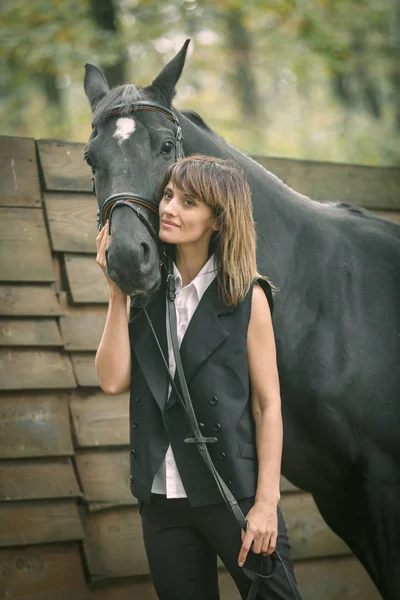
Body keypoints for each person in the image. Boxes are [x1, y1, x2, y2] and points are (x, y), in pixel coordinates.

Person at [95, 155, 298, 600]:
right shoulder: (145, 293)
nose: (169, 208)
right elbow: (112, 380)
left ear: (218, 221)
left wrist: (267, 503)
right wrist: (117, 292)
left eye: (189, 203)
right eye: (168, 195)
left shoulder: (247, 296)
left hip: (235, 493)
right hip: (161, 498)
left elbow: (268, 406)